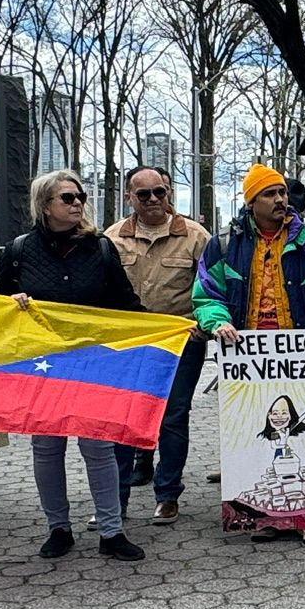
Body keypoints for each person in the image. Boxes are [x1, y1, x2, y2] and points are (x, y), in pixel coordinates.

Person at [193, 164, 305, 545]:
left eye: (283, 192)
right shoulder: (223, 244)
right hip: (248, 357)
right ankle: (266, 519)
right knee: (255, 432)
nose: (281, 200)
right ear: (251, 202)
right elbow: (206, 294)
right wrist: (217, 321)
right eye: (270, 194)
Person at [0, 169, 147, 562]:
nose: (77, 202)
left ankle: (111, 531)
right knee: (47, 448)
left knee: (99, 447)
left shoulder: (100, 248)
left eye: (79, 196)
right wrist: (12, 303)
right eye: (67, 198)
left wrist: (164, 330)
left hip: (91, 361)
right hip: (41, 364)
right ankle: (58, 528)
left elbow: (125, 303)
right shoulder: (18, 251)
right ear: (44, 205)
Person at [105, 163, 212, 525]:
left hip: (182, 342)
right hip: (130, 344)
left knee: (173, 416)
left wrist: (202, 324)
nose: (153, 200)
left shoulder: (196, 237)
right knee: (122, 418)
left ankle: (168, 494)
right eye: (143, 194)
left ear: (169, 193)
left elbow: (212, 290)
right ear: (128, 197)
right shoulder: (111, 238)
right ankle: (113, 498)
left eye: (159, 192)